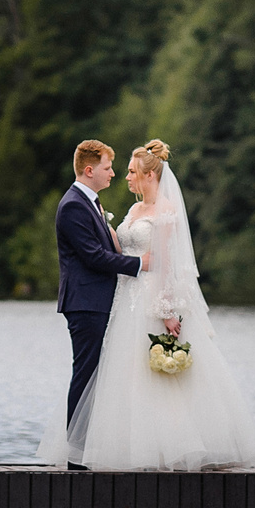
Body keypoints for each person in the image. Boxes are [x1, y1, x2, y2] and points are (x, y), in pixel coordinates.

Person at [40, 140, 255, 471]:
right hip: (119, 299)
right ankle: (98, 451)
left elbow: (168, 265)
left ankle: (168, 447)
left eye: (130, 171)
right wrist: (132, 259)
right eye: (114, 169)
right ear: (90, 169)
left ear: (148, 175)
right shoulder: (123, 210)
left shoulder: (165, 213)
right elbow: (105, 253)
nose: (121, 176)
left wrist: (168, 310)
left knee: (149, 376)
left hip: (146, 298)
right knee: (112, 375)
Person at [50, 139, 143, 452]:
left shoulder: (89, 202)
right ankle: (76, 452)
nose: (113, 174)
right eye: (107, 167)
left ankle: (86, 447)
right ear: (89, 170)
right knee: (86, 374)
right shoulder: (74, 205)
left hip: (95, 301)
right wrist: (141, 264)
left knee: (94, 374)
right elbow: (93, 257)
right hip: (85, 303)